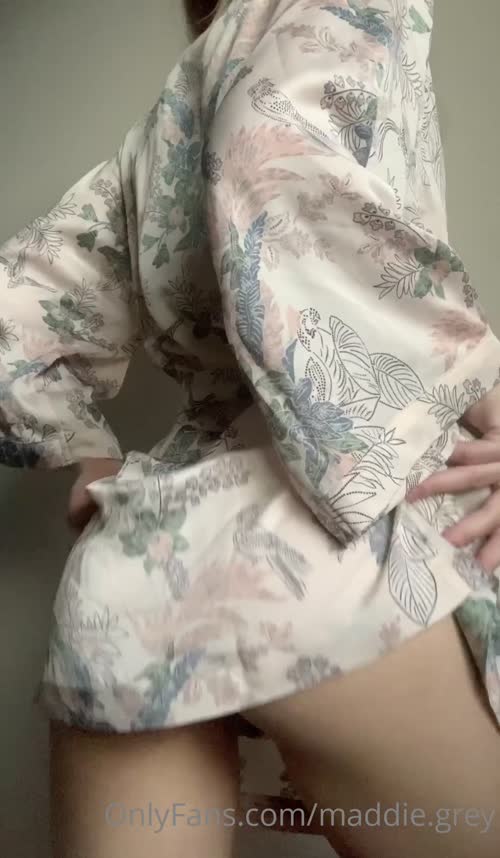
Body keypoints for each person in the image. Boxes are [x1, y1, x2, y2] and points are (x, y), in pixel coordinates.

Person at [1, 0, 500, 855]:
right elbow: (278, 171)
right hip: (326, 554)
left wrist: (83, 452)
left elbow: (18, 312)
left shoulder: (158, 135)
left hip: (143, 567)